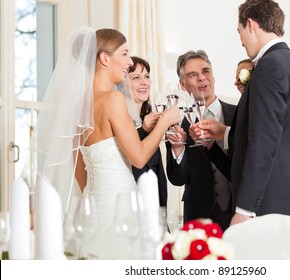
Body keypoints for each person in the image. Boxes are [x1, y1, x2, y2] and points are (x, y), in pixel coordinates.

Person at [36, 26, 180, 259]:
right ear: (104, 58)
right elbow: (140, 157)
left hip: (91, 209)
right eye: (124, 53)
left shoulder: (77, 107)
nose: (129, 61)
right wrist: (166, 121)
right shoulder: (112, 99)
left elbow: (80, 173)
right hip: (119, 208)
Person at [197, 0, 290, 225]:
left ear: (250, 24)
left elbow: (264, 141)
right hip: (287, 194)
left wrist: (245, 207)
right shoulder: (289, 63)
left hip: (270, 200)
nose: (240, 40)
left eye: (239, 31)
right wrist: (226, 132)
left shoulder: (270, 66)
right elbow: (276, 132)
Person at [165, 50, 236, 231]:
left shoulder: (239, 114)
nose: (202, 78)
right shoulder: (177, 124)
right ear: (182, 85)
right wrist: (178, 149)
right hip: (198, 216)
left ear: (213, 76)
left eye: (206, 71)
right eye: (193, 75)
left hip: (238, 212)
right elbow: (177, 179)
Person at [128, 56, 168, 207]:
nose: (144, 82)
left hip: (155, 204)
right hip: (133, 203)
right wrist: (144, 130)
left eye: (147, 76)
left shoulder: (150, 118)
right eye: (136, 77)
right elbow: (131, 161)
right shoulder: (119, 119)